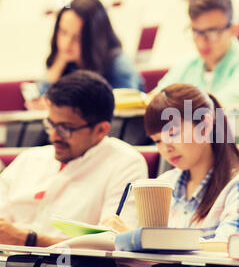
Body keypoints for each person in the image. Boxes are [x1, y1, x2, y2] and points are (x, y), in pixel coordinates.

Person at [0, 70, 148, 246]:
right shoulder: (29, 159)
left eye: (65, 128)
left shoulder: (125, 163)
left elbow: (113, 244)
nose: (54, 136)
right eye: (50, 124)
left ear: (101, 130)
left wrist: (28, 240)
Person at [103, 83, 239, 241]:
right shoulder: (164, 184)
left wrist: (145, 240)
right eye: (158, 141)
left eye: (173, 134)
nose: (166, 149)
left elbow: (227, 250)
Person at [151, 0, 239, 106]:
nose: (201, 42)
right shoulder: (186, 65)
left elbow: (218, 109)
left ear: (234, 30)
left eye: (211, 33)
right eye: (196, 32)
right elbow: (152, 103)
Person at [27, 0, 144, 109]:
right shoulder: (66, 62)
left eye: (77, 37)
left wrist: (62, 106)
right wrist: (56, 69)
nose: (67, 43)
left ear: (96, 38)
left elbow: (122, 109)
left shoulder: (119, 65)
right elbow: (41, 101)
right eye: (63, 32)